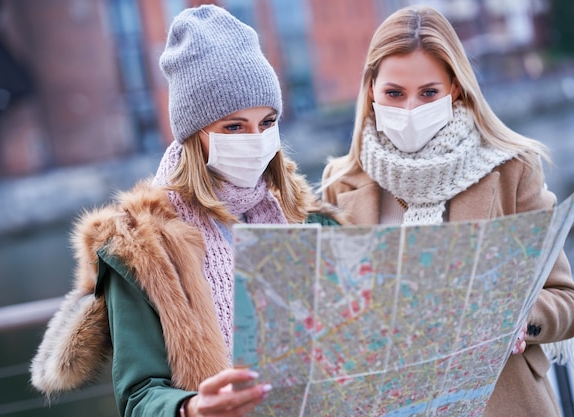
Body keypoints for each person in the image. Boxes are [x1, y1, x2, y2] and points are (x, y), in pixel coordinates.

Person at [30, 5, 342, 417]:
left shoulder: (303, 216)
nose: (257, 139)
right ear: (195, 134)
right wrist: (192, 408)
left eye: (267, 122)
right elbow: (139, 395)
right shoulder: (143, 246)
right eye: (234, 127)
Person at [321, 5, 574, 417]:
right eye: (394, 93)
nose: (409, 110)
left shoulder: (511, 169)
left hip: (499, 401)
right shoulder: (340, 183)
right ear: (371, 90)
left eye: (428, 93)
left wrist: (514, 316)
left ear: (455, 87)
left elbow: (566, 298)